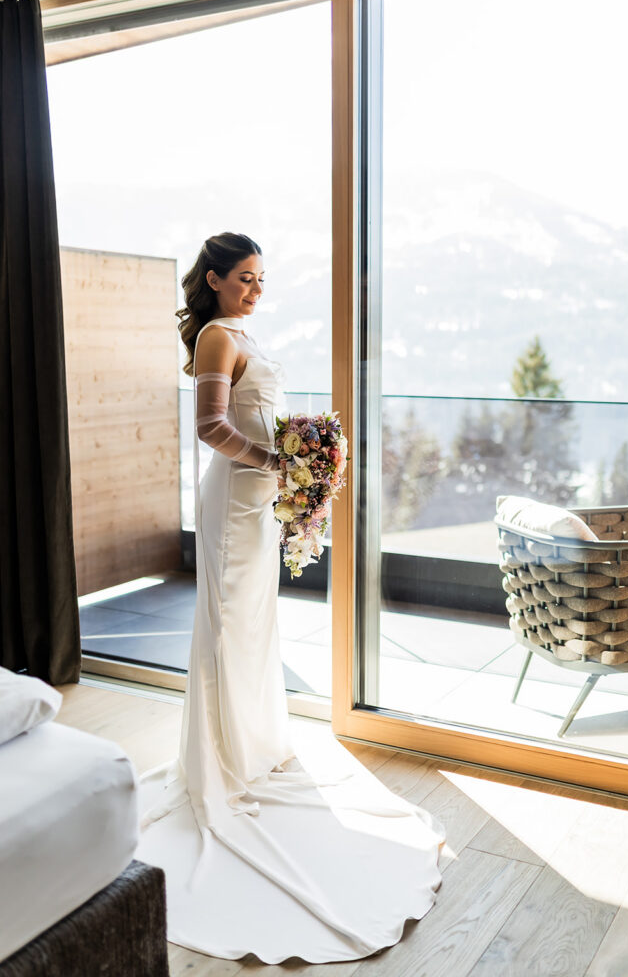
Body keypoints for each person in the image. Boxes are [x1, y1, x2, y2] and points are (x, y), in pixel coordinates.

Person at [135, 232, 446, 964]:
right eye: (243, 277)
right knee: (227, 625)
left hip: (258, 500)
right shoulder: (216, 336)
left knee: (252, 628)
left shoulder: (241, 331)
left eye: (261, 278)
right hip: (236, 501)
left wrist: (294, 462)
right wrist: (285, 460)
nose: (255, 289)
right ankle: (221, 763)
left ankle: (252, 745)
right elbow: (212, 428)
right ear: (212, 280)